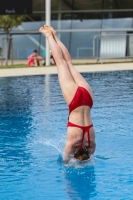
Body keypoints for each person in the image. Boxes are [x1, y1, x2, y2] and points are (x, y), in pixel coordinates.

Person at [39, 25, 96, 163]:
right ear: (75, 152)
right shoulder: (72, 143)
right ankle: (48, 35)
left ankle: (55, 36)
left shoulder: (92, 144)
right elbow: (65, 159)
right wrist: (67, 162)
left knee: (69, 63)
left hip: (88, 99)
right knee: (61, 63)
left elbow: (90, 153)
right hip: (75, 100)